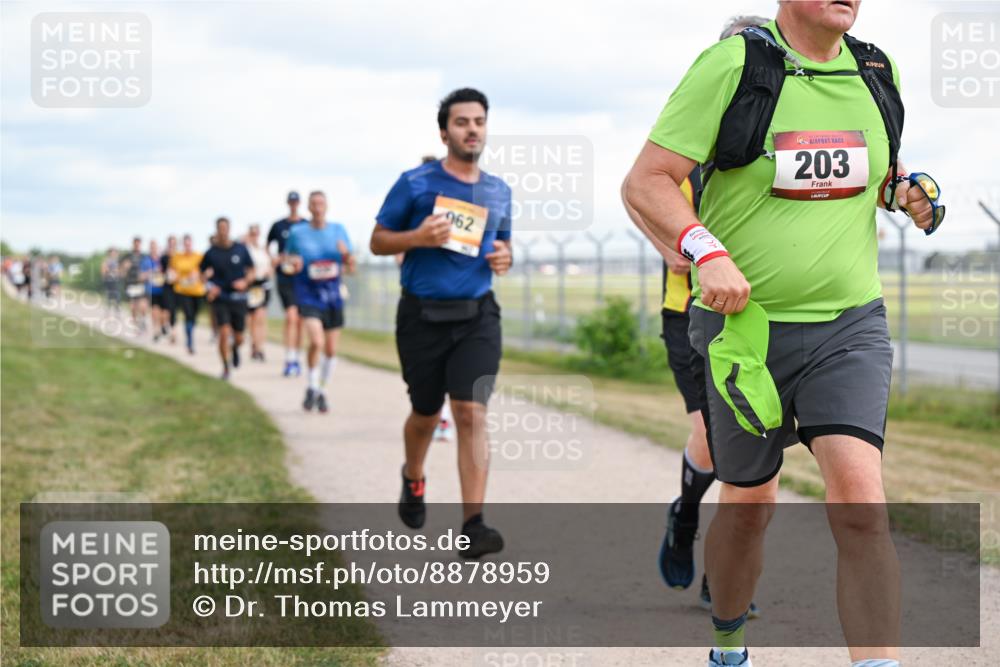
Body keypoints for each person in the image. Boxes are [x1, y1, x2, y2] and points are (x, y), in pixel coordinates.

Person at [624, 2, 939, 665]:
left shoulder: (876, 70)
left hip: (849, 325)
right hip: (744, 332)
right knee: (749, 506)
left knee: (862, 501)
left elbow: (875, 176)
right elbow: (645, 181)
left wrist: (905, 192)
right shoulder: (732, 65)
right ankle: (729, 643)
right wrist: (706, 250)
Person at [622, 13, 767, 617]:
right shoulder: (691, 140)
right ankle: (686, 520)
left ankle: (720, 571)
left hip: (759, 317)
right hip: (688, 313)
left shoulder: (768, 146)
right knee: (713, 435)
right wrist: (668, 247)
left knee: (753, 446)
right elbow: (635, 191)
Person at [370, 88, 513, 559]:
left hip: (477, 316)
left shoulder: (498, 191)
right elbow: (377, 241)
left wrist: (504, 257)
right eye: (462, 122)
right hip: (422, 317)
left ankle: (474, 525)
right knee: (426, 414)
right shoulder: (415, 184)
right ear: (444, 132)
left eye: (479, 121)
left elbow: (504, 245)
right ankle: (413, 477)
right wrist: (416, 236)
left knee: (471, 413)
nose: (472, 130)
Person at [285, 192, 355, 413]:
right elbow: (287, 260)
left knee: (331, 350)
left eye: (321, 203)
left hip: (333, 295)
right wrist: (293, 263)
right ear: (308, 207)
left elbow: (352, 267)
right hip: (308, 293)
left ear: (327, 206)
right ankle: (312, 386)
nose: (317, 207)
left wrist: (346, 256)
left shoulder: (338, 230)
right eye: (313, 204)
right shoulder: (297, 232)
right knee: (316, 341)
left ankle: (322, 390)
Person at [200, 218, 254, 380]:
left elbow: (251, 270)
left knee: (240, 337)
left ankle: (235, 348)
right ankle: (225, 367)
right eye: (220, 228)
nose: (223, 231)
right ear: (217, 230)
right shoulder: (211, 252)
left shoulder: (240, 249)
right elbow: (201, 274)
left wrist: (245, 282)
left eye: (225, 228)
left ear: (229, 229)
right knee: (223, 332)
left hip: (238, 297)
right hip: (220, 297)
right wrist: (209, 287)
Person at [268, 191, 307, 377]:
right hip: (284, 277)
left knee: (300, 320)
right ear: (287, 203)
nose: (293, 204)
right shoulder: (278, 225)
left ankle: (296, 357)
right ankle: (289, 358)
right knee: (291, 317)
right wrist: (275, 259)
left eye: (296, 201)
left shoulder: (306, 225)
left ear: (299, 203)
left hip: (302, 278)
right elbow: (268, 247)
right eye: (291, 201)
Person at [170, 234, 206, 354]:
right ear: (183, 245)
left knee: (194, 316)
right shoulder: (177, 257)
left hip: (197, 291)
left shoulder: (199, 256)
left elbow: (205, 271)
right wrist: (175, 277)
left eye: (189, 243)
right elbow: (171, 272)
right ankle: (189, 341)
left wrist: (198, 274)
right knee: (188, 314)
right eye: (185, 244)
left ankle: (190, 331)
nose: (187, 246)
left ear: (192, 244)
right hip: (183, 291)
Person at [245, 223, 274, 362]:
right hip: (252, 286)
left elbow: (271, 265)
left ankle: (260, 347)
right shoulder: (245, 249)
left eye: (257, 233)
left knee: (261, 318)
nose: (255, 236)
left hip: (264, 285)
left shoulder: (263, 249)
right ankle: (254, 344)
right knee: (252, 319)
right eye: (252, 234)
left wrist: (270, 271)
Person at [122, 237, 149, 332]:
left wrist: (145, 275)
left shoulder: (144, 256)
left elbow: (149, 269)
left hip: (141, 284)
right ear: (133, 244)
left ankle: (143, 320)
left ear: (140, 244)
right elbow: (121, 271)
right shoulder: (127, 256)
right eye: (135, 244)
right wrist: (125, 267)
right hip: (131, 284)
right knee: (133, 307)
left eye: (138, 244)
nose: (137, 245)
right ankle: (135, 325)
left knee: (143, 306)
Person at [146, 240, 167, 342]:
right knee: (154, 312)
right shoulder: (147, 261)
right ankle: (156, 332)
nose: (153, 249)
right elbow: (142, 274)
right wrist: (150, 273)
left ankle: (163, 326)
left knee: (163, 314)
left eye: (155, 247)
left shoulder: (162, 259)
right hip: (152, 290)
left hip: (163, 290)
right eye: (152, 247)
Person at [160, 235, 179, 343]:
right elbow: (161, 272)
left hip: (176, 287)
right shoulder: (164, 258)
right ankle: (164, 326)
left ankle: (173, 333)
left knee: (174, 310)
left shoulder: (179, 257)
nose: (172, 245)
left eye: (174, 243)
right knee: (166, 310)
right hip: (166, 286)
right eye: (170, 243)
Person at [101, 248, 122, 314]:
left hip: (116, 279)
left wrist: (117, 272)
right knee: (109, 293)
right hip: (108, 279)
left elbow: (119, 270)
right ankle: (108, 307)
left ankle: (117, 306)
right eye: (112, 252)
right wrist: (105, 275)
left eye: (115, 252)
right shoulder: (107, 260)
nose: (114, 254)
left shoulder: (118, 261)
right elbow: (104, 269)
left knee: (117, 293)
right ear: (110, 253)